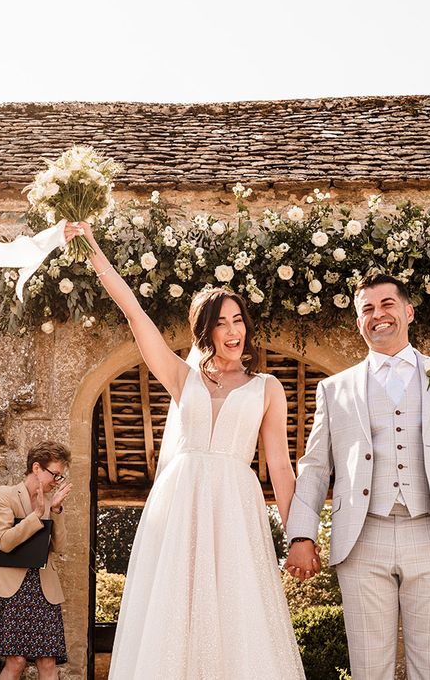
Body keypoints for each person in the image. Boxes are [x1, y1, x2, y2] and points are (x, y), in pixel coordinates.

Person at [64, 222, 306, 679]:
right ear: (205, 333)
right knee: (175, 603)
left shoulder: (268, 388)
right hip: (179, 506)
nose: (232, 331)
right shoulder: (183, 378)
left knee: (237, 609)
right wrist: (93, 249)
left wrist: (298, 538)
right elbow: (135, 314)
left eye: (237, 320)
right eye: (220, 323)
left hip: (235, 506)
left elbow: (280, 468)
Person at [285, 272, 430, 680]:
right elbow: (315, 467)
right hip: (363, 538)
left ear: (408, 311)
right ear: (357, 321)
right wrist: (301, 536)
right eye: (367, 309)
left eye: (387, 305)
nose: (378, 315)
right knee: (369, 669)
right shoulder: (336, 389)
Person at [0, 441, 73, 680]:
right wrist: (36, 515)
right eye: (55, 475)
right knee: (16, 661)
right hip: (11, 589)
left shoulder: (51, 502)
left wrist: (55, 511)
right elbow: (4, 541)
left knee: (48, 662)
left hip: (42, 588)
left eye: (60, 477)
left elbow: (59, 547)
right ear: (36, 468)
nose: (56, 482)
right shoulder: (6, 494)